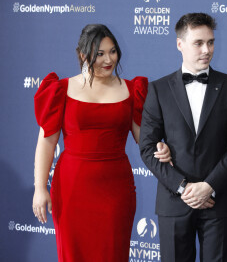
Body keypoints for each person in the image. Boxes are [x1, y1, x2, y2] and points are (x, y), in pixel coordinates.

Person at [32, 24, 172, 262]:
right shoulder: (61, 89)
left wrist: (161, 147)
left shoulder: (131, 89)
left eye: (113, 51)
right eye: (100, 54)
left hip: (115, 190)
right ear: (82, 55)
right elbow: (46, 142)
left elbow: (143, 139)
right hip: (71, 188)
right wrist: (39, 188)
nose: (109, 59)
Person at [139, 13, 227, 262]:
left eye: (210, 42)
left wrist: (209, 186)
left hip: (217, 201)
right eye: (198, 43)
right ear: (180, 44)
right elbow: (147, 147)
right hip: (173, 202)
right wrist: (183, 187)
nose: (207, 49)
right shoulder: (158, 89)